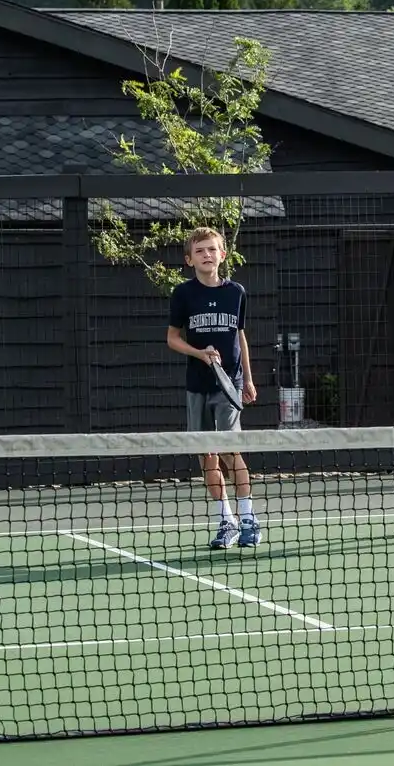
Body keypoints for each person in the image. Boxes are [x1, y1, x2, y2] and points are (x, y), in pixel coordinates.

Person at [166, 226, 261, 550]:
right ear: (189, 259)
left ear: (222, 254)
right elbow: (172, 338)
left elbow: (240, 336)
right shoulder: (183, 294)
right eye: (200, 250)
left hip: (229, 384)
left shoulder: (236, 292)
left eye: (212, 249)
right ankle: (227, 520)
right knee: (207, 455)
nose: (207, 255)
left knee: (232, 450)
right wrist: (200, 354)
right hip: (198, 385)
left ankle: (249, 519)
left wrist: (247, 379)